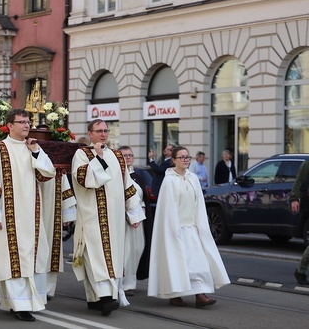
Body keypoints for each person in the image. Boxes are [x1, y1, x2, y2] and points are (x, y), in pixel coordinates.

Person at [0, 109, 56, 322]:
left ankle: (28, 301)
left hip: (31, 213)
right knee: (13, 257)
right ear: (9, 125)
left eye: (28, 122)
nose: (26, 125)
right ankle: (19, 304)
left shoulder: (32, 147)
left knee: (31, 255)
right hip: (8, 213)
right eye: (21, 122)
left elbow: (47, 174)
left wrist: (36, 152)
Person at [71, 120, 144, 316]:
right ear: (90, 133)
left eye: (105, 130)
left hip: (115, 218)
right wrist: (98, 157)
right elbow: (82, 179)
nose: (103, 134)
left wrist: (134, 212)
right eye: (98, 131)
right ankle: (105, 298)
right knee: (96, 257)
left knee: (112, 256)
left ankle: (96, 299)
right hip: (92, 216)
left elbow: (128, 186)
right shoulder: (82, 154)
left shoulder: (118, 156)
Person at [147, 146, 230, 307]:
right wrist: (173, 229)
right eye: (182, 157)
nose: (185, 160)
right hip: (175, 229)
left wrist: (201, 226)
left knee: (199, 263)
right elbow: (167, 208)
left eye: (187, 157)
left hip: (192, 228)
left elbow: (198, 204)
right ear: (174, 160)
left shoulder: (193, 178)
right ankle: (175, 294)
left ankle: (200, 295)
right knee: (177, 263)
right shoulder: (169, 181)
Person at [39, 168, 77, 299]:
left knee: (51, 250)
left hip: (52, 214)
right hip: (30, 214)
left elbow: (65, 188)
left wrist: (67, 213)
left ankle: (48, 289)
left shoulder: (58, 168)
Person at [118, 146, 149, 296]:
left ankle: (132, 280)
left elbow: (142, 198)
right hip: (123, 220)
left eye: (130, 155)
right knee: (126, 251)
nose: (128, 158)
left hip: (139, 219)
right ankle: (124, 283)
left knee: (138, 248)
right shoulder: (117, 175)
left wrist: (143, 208)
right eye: (125, 155)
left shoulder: (137, 176)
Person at [289, 159, 309, 285]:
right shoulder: (307, 163)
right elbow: (298, 182)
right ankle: (300, 271)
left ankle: (300, 271)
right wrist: (294, 198)